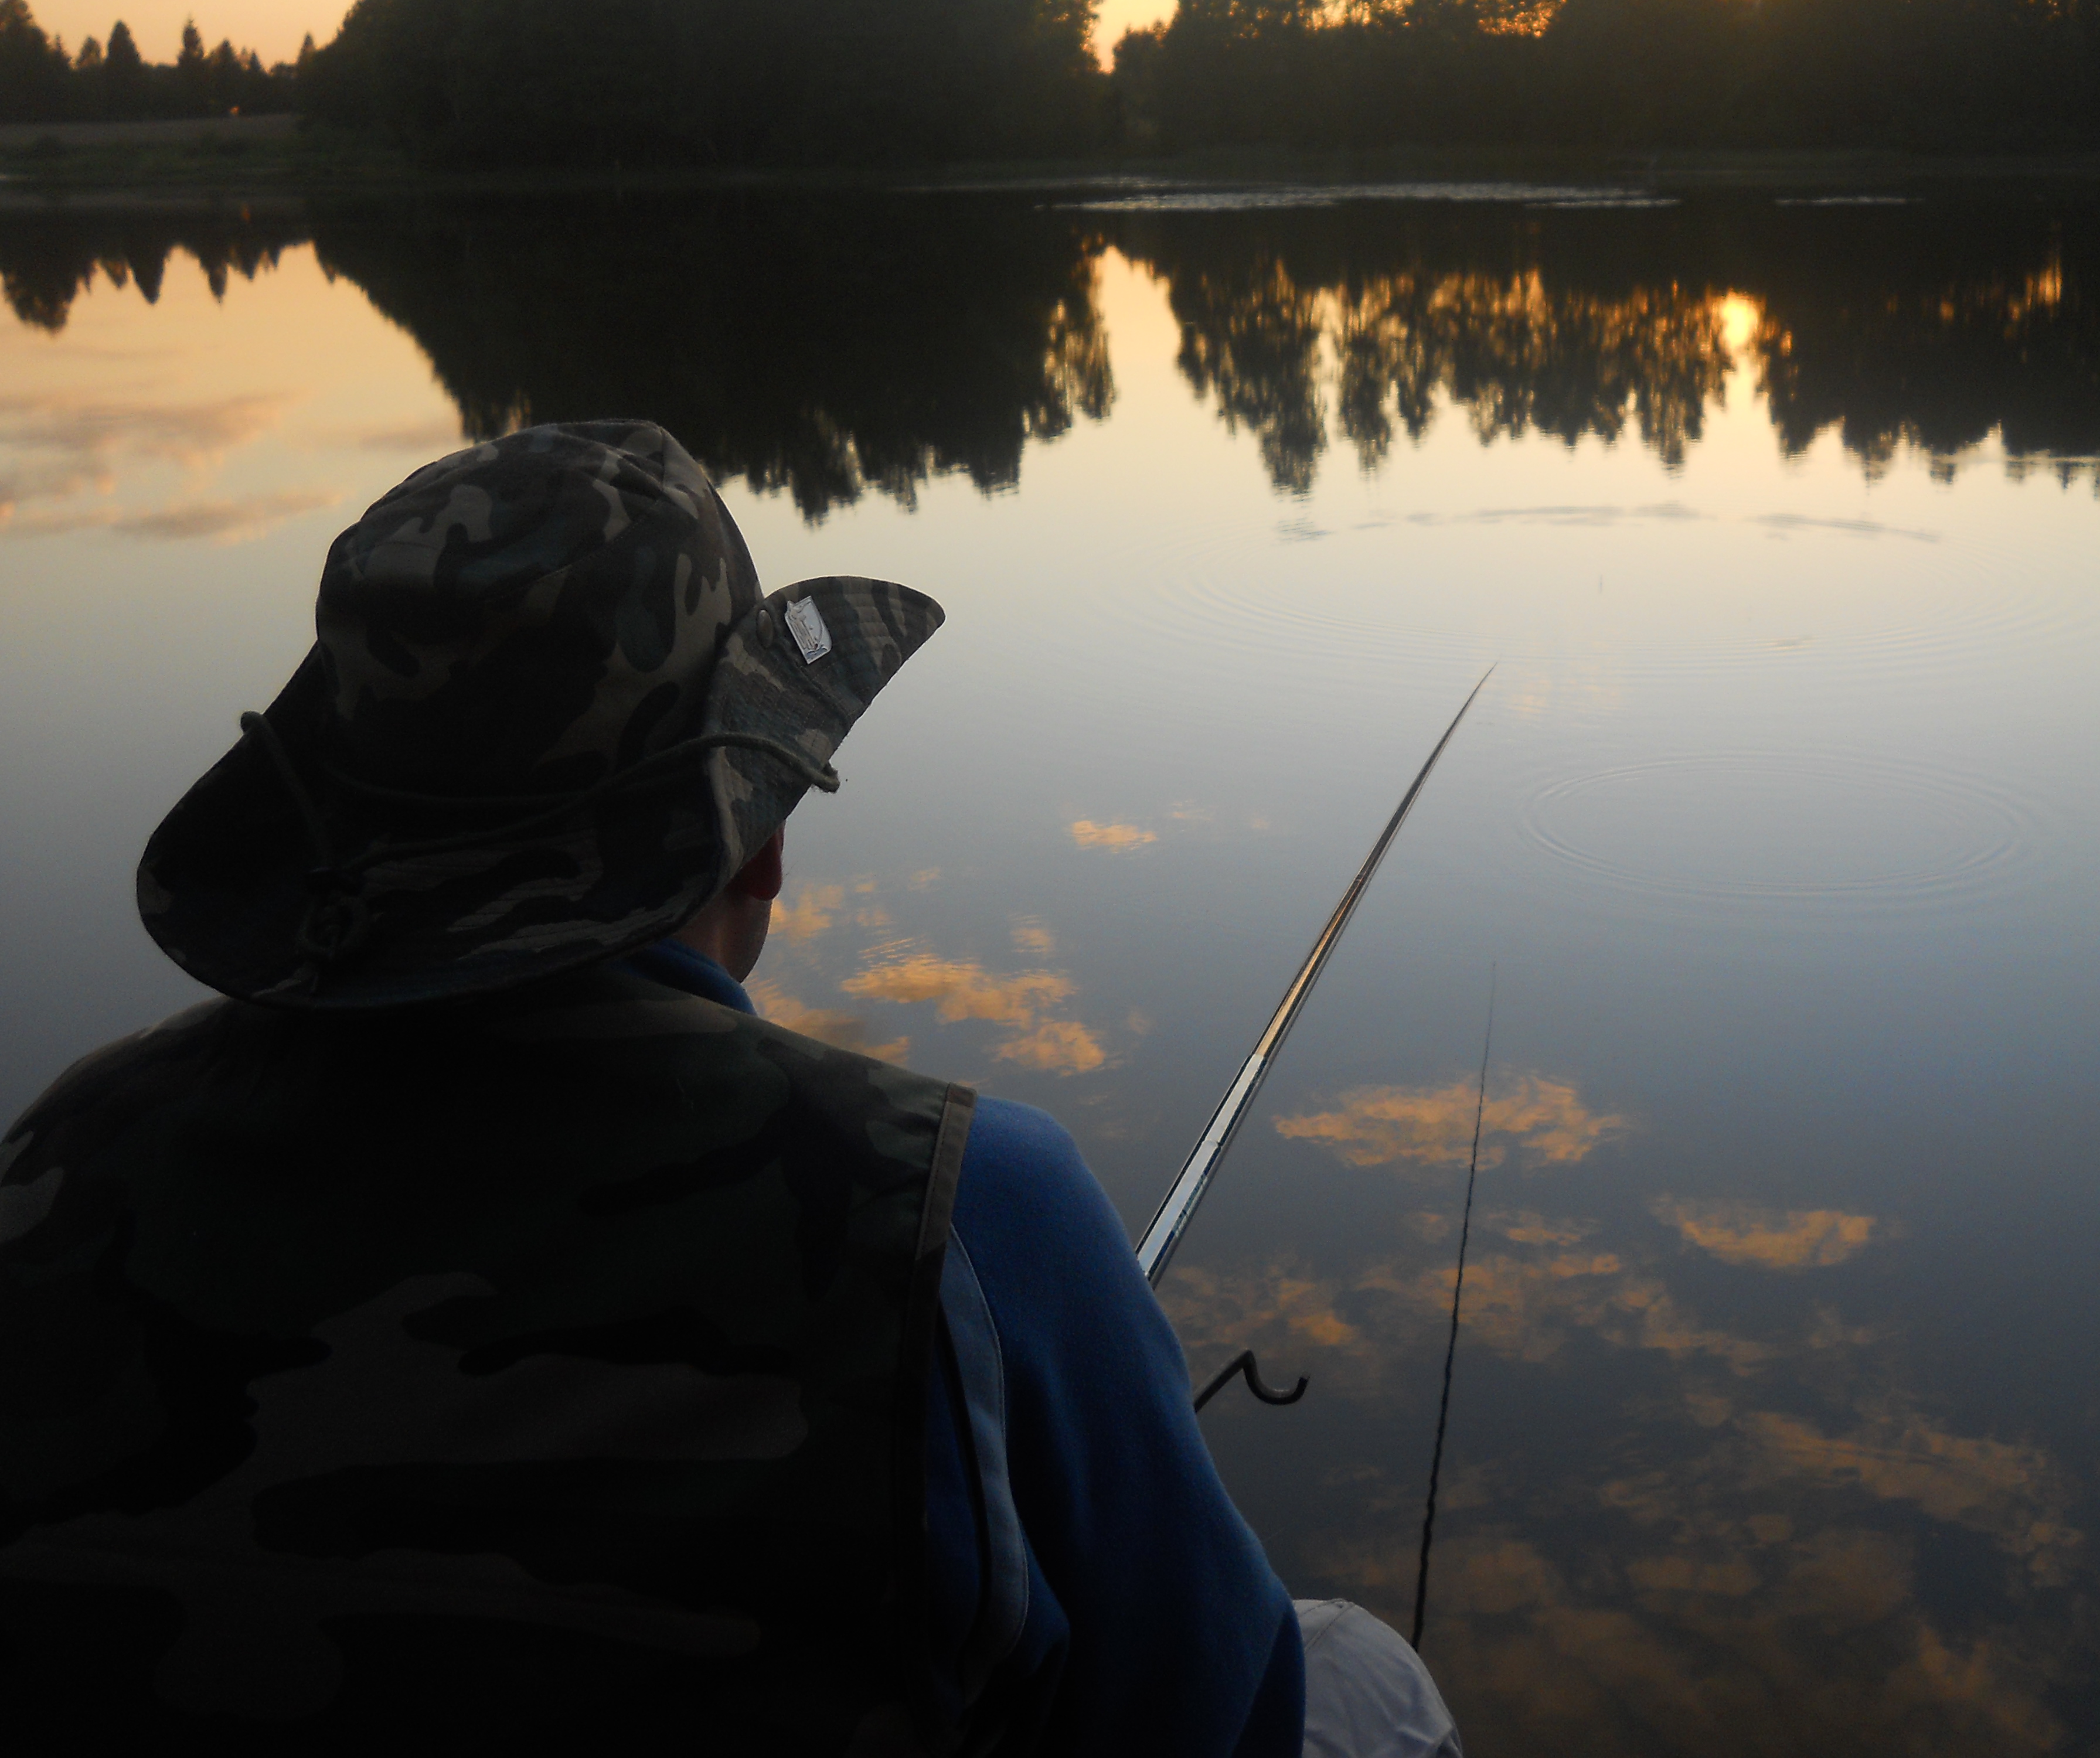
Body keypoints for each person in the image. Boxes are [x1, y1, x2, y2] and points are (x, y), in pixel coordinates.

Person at [0, 421, 1460, 1754]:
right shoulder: (973, 1223)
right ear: (752, 839)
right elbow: (1220, 1722)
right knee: (1359, 1679)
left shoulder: (57, 1166)